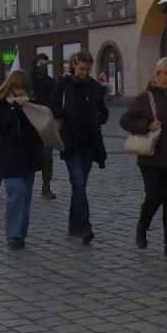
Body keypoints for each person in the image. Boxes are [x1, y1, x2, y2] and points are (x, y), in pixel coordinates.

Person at [119, 57, 167, 259]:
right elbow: (126, 120)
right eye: (166, 73)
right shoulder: (145, 98)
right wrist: (147, 125)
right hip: (151, 157)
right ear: (158, 74)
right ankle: (142, 226)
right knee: (154, 197)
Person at [49, 51, 108, 244]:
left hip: (89, 141)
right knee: (78, 183)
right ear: (74, 65)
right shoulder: (64, 84)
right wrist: (64, 112)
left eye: (88, 69)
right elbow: (51, 107)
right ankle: (85, 226)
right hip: (71, 141)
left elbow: (104, 112)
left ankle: (73, 224)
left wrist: (99, 118)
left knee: (80, 185)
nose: (84, 72)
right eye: (82, 68)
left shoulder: (95, 87)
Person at [0, 70, 44, 249]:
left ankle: (20, 234)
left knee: (26, 196)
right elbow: (2, 124)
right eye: (17, 88)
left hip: (28, 155)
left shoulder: (33, 102)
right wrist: (15, 107)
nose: (20, 92)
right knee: (17, 192)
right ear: (10, 87)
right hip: (9, 155)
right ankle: (13, 234)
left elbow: (39, 126)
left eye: (23, 88)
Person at [29, 55, 59, 199]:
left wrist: (37, 101)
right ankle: (27, 185)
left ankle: (46, 187)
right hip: (28, 121)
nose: (43, 67)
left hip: (44, 122)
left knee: (47, 154)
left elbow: (52, 102)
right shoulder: (27, 80)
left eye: (46, 64)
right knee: (28, 154)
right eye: (41, 64)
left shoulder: (51, 83)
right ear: (35, 64)